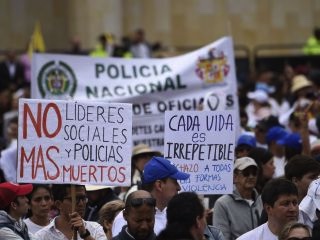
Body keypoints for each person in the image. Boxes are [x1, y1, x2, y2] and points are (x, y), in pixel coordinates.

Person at [112, 156, 190, 237]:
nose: (179, 188)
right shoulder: (125, 219)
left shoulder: (174, 215)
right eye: (175, 182)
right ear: (159, 185)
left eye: (149, 220)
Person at [212, 157, 262, 239]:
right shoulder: (222, 204)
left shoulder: (263, 200)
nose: (251, 176)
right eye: (246, 173)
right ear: (235, 177)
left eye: (254, 173)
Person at [35, 184, 107, 240]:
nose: (81, 203)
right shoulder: (41, 236)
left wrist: (85, 235)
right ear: (58, 204)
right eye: (75, 199)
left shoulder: (95, 229)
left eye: (83, 198)